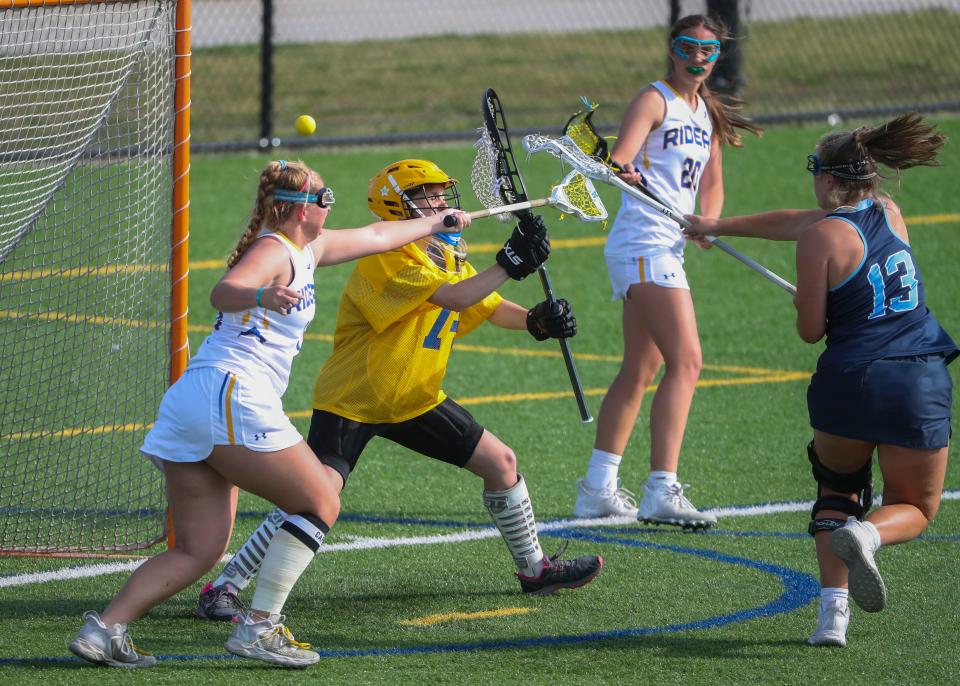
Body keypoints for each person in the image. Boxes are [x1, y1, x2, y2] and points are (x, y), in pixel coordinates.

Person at [67, 159, 472, 668]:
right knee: (321, 498)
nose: (331, 206)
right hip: (233, 396)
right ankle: (258, 628)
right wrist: (262, 294)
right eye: (325, 199)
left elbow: (375, 233)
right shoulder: (273, 250)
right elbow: (224, 291)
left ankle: (104, 630)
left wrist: (440, 222)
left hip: (197, 401)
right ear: (301, 209)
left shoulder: (309, 247)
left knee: (199, 549)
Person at [193, 159, 604, 622]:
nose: (442, 203)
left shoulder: (445, 254)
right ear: (398, 204)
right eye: (429, 196)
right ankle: (225, 584)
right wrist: (509, 264)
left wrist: (533, 320)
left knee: (500, 462)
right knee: (314, 493)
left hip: (414, 398)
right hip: (356, 399)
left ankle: (535, 569)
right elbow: (452, 297)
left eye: (443, 194)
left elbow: (483, 303)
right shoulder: (386, 258)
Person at [685, 113, 956, 647]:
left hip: (848, 382)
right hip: (916, 380)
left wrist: (811, 300)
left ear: (829, 180)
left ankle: (832, 617)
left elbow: (811, 330)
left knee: (837, 490)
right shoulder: (890, 211)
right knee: (916, 507)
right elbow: (797, 220)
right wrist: (716, 225)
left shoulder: (820, 240)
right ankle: (870, 533)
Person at [572, 14, 761, 527]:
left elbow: (712, 180)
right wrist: (624, 169)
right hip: (644, 241)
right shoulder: (654, 98)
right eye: (688, 46)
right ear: (672, 49)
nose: (698, 57)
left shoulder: (707, 113)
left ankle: (597, 488)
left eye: (708, 50)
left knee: (641, 369)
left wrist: (710, 223)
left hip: (669, 245)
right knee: (688, 360)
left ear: (717, 56)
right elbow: (619, 160)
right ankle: (661, 488)